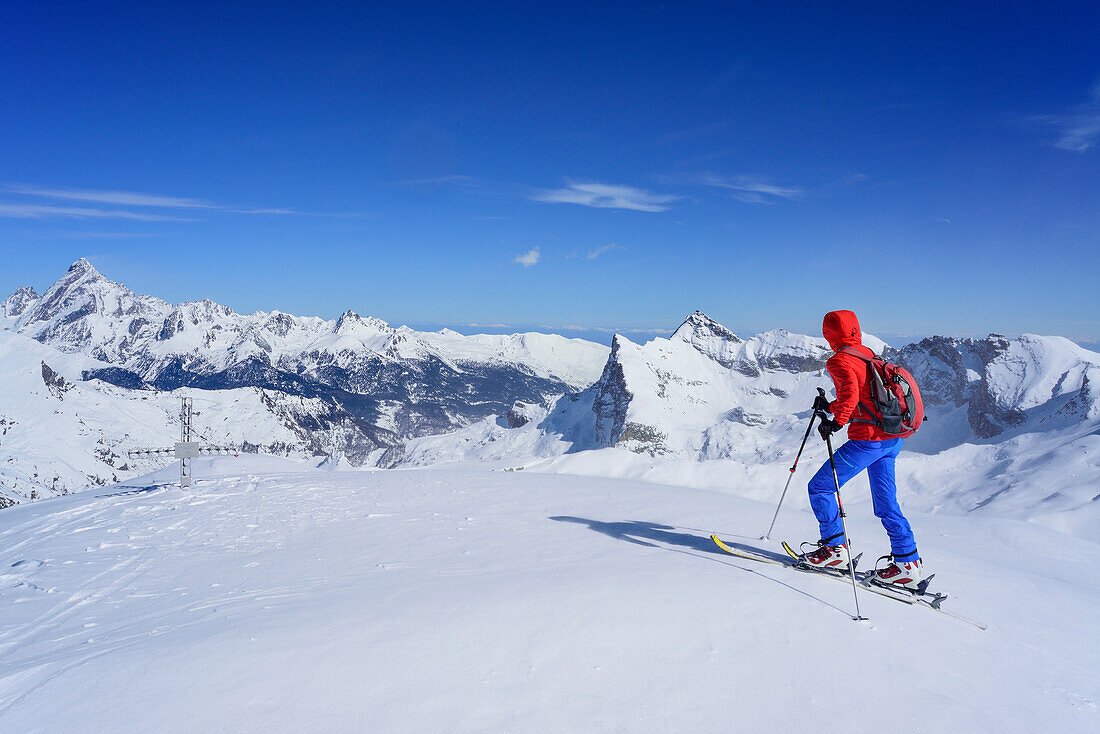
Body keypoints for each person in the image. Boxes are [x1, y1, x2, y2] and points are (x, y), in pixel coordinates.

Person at [801, 309, 923, 589]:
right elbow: (865, 397)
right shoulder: (868, 354)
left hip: (868, 441)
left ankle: (834, 552)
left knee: (820, 488)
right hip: (891, 440)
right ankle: (908, 563)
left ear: (829, 334)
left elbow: (850, 396)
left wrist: (835, 422)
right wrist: (830, 407)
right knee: (886, 504)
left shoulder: (840, 359)